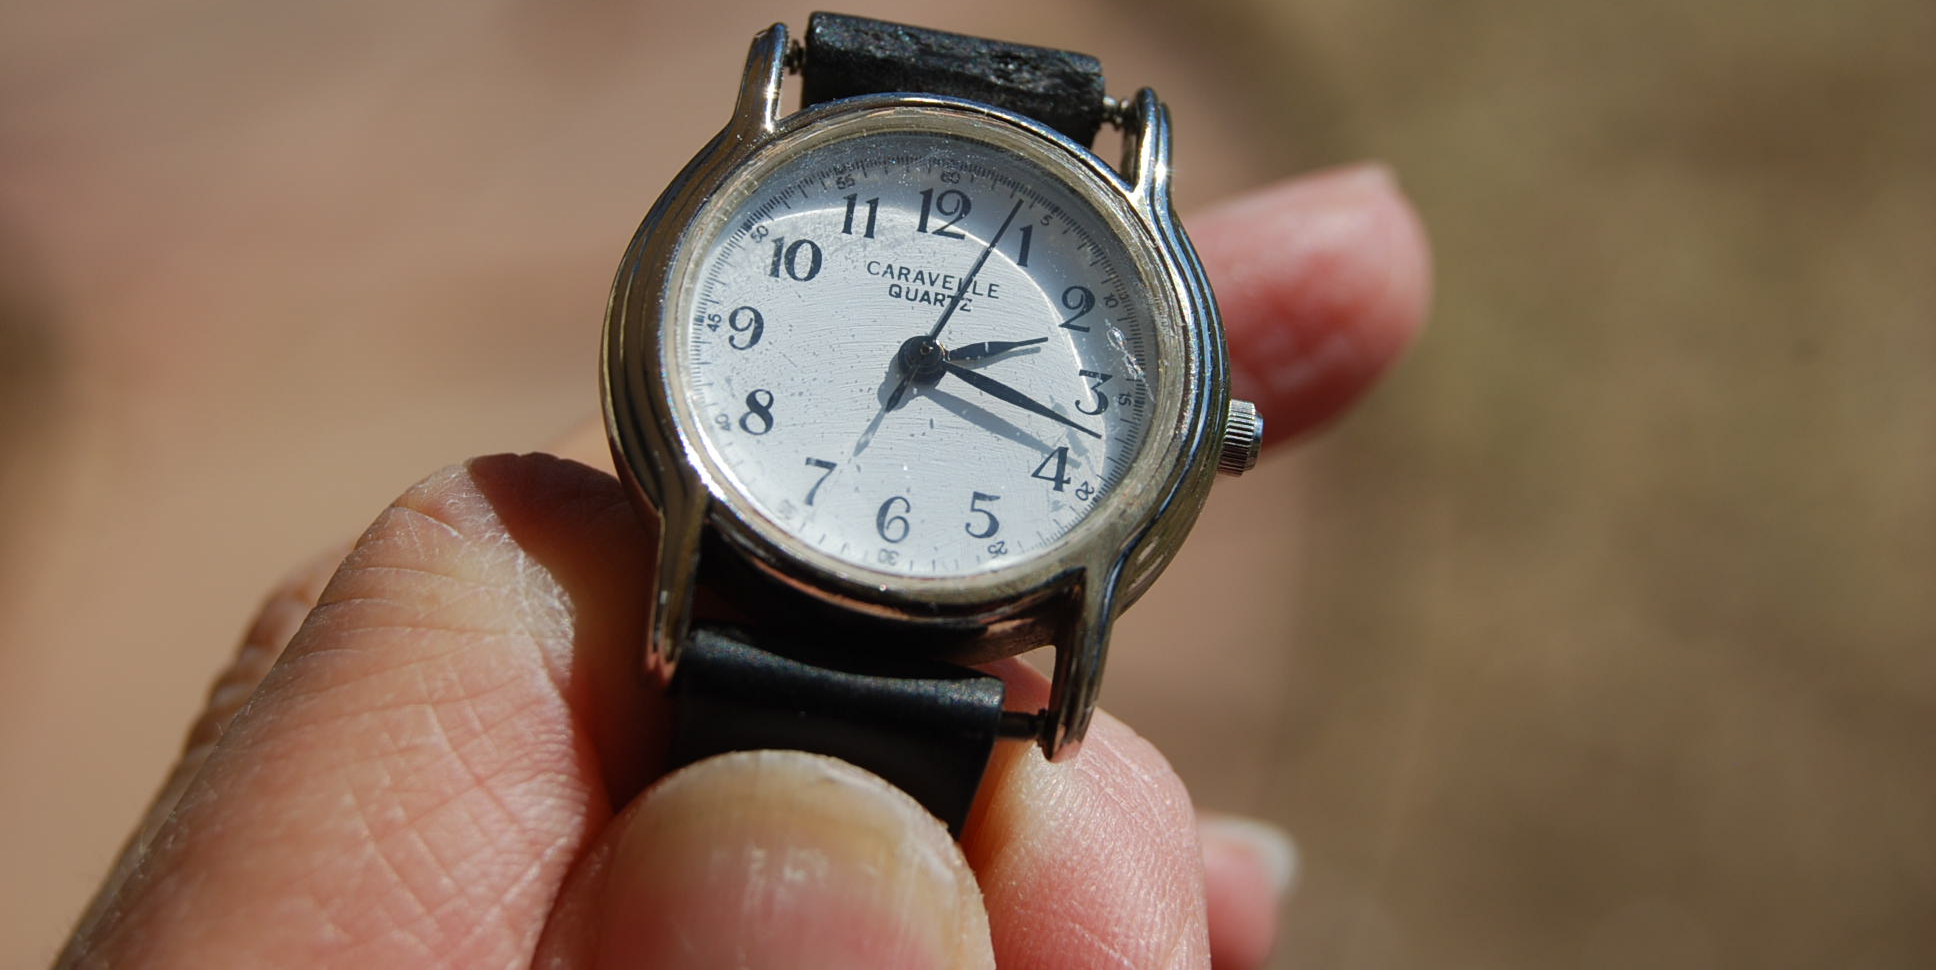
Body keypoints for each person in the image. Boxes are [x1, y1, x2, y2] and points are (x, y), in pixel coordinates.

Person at [57, 165, 1430, 970]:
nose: (920, 361)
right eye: (923, 362)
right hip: (716, 562)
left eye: (936, 360)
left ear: (1200, 438)